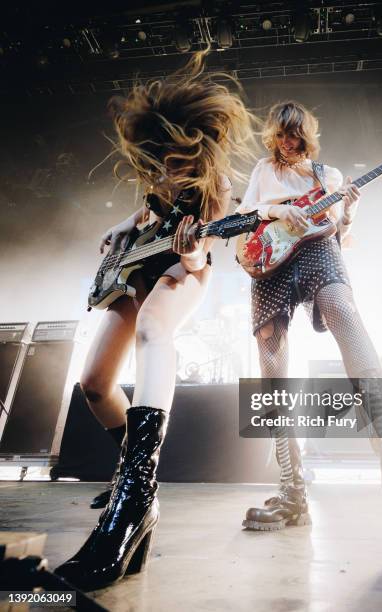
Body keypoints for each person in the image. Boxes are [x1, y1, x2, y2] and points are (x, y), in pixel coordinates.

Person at [55, 50, 256, 590]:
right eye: (161, 158)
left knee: (152, 329)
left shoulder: (213, 186)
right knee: (94, 385)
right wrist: (122, 229)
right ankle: (130, 476)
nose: (169, 167)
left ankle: (136, 493)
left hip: (183, 270)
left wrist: (191, 255)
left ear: (196, 149)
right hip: (137, 267)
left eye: (177, 159)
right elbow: (147, 211)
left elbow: (206, 248)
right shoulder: (158, 169)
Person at [236, 100, 382, 559]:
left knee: (342, 307)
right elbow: (248, 212)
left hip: (318, 249)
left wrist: (350, 213)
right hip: (271, 257)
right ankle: (291, 492)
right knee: (271, 354)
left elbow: (336, 227)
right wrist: (280, 211)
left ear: (307, 133)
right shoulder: (264, 168)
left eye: (295, 134)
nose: (288, 142)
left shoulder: (331, 176)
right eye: (281, 134)